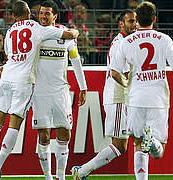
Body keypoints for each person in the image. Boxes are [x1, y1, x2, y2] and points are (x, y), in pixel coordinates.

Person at [0, 1, 79, 179]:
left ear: (12, 14)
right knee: (14, 124)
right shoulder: (37, 27)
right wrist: (76, 32)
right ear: (28, 12)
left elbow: (12, 58)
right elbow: (68, 34)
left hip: (6, 79)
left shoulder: (9, 32)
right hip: (23, 82)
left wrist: (1, 69)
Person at [71, 9, 137, 180]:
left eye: (136, 21)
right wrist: (131, 88)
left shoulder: (128, 42)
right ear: (121, 24)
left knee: (134, 141)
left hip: (123, 98)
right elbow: (118, 74)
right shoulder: (121, 43)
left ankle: (82, 171)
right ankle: (82, 171)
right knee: (120, 146)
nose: (134, 24)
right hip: (118, 98)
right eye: (130, 21)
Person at [110, 2, 173, 179]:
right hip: (158, 99)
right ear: (154, 18)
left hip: (136, 98)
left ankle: (147, 142)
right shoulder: (165, 39)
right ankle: (152, 141)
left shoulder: (126, 41)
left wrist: (127, 85)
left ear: (136, 19)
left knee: (138, 144)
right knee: (158, 152)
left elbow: (114, 72)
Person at [31, 1, 87, 180]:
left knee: (65, 133)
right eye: (41, 13)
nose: (43, 17)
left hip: (60, 92)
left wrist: (83, 87)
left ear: (55, 16)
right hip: (39, 92)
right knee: (44, 135)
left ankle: (61, 176)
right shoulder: (36, 33)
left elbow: (76, 61)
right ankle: (48, 177)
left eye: (47, 14)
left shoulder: (66, 36)